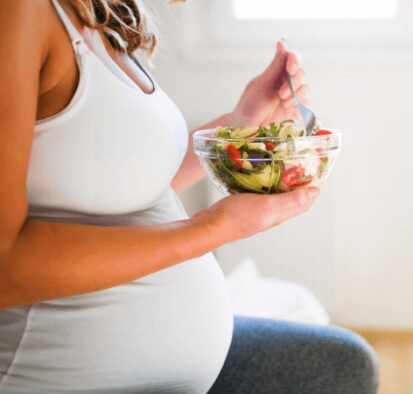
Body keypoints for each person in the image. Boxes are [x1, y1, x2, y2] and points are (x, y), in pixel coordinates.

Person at [0, 1, 378, 393]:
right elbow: (4, 266)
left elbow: (124, 180)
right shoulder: (18, 11)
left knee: (346, 362)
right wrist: (213, 228)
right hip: (64, 378)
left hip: (169, 371)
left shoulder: (98, 12)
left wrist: (242, 119)